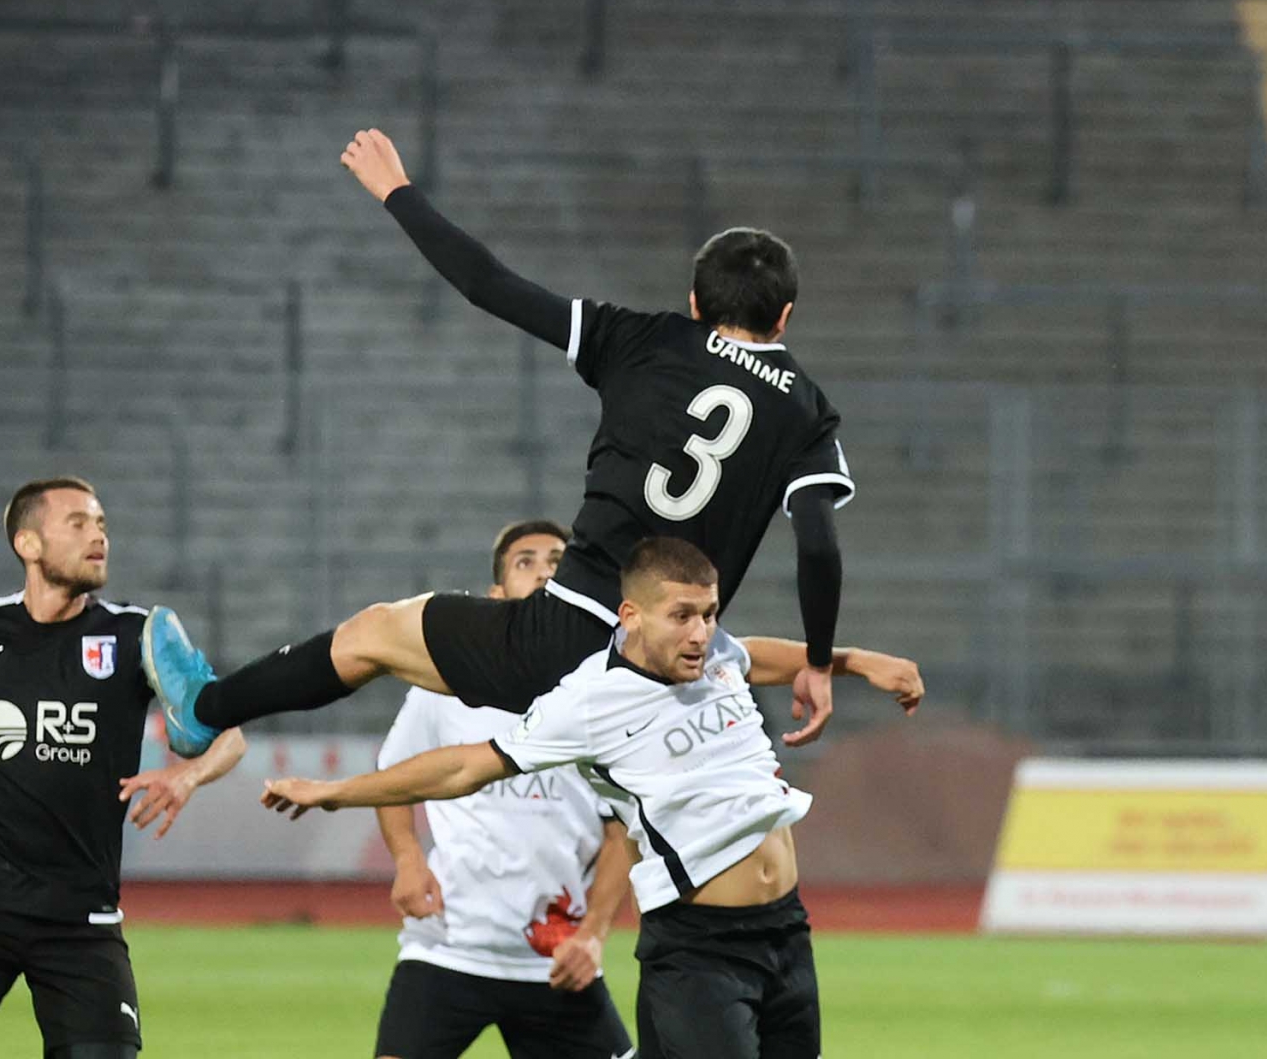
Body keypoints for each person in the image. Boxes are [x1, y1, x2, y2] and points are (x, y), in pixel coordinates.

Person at [143, 127, 860, 761]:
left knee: (373, 636)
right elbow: (820, 547)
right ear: (785, 316)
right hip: (673, 666)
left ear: (695, 302)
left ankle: (203, 710)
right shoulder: (808, 409)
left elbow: (488, 284)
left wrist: (397, 192)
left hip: (568, 635)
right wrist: (820, 663)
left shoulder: (644, 339)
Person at [261, 538, 926, 1059]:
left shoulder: (713, 655)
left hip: (786, 930)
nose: (700, 633)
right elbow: (465, 766)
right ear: (631, 615)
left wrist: (855, 661)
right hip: (700, 948)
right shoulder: (589, 699)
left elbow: (755, 655)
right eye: (682, 616)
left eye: (709, 614)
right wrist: (338, 793)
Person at [0, 476, 248, 1059]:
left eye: (102, 524)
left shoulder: (137, 636)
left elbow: (229, 734)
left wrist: (185, 776)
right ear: (28, 544)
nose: (98, 537)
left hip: (81, 921)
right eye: (78, 523)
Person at [373, 519, 635, 1059]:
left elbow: (621, 832)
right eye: (525, 561)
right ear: (496, 595)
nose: (544, 572)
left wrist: (593, 934)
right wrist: (407, 859)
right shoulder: (445, 688)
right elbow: (391, 777)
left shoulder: (604, 697)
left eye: (557, 563)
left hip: (554, 958)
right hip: (447, 948)